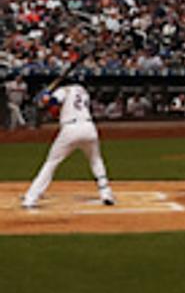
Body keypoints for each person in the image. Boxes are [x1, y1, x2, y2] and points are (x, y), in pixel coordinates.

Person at [20, 75, 116, 209]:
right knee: (96, 160)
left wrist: (45, 98)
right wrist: (45, 98)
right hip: (89, 128)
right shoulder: (83, 91)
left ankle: (31, 198)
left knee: (51, 163)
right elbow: (57, 108)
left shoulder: (64, 90)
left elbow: (52, 104)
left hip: (70, 129)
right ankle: (106, 193)